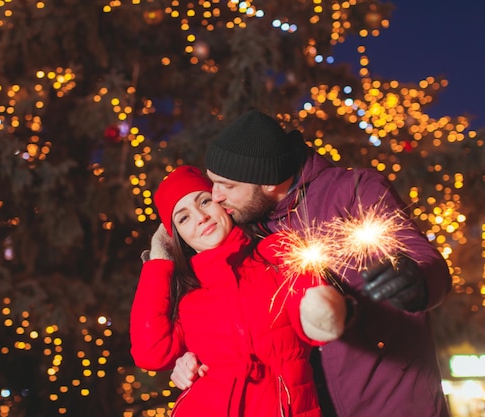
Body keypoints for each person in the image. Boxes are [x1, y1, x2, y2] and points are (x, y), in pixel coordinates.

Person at [170, 110, 453, 417]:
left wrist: (417, 282)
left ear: (266, 181)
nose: (216, 197)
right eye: (213, 183)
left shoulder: (354, 191)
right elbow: (226, 312)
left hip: (392, 403)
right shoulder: (247, 229)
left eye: (227, 186)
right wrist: (190, 358)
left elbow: (423, 258)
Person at [129, 165, 349, 417]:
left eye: (204, 201)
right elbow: (151, 354)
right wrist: (158, 261)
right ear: (177, 237)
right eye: (183, 217)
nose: (200, 217)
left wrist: (328, 308)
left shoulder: (275, 252)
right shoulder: (189, 292)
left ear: (222, 201)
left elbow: (318, 325)